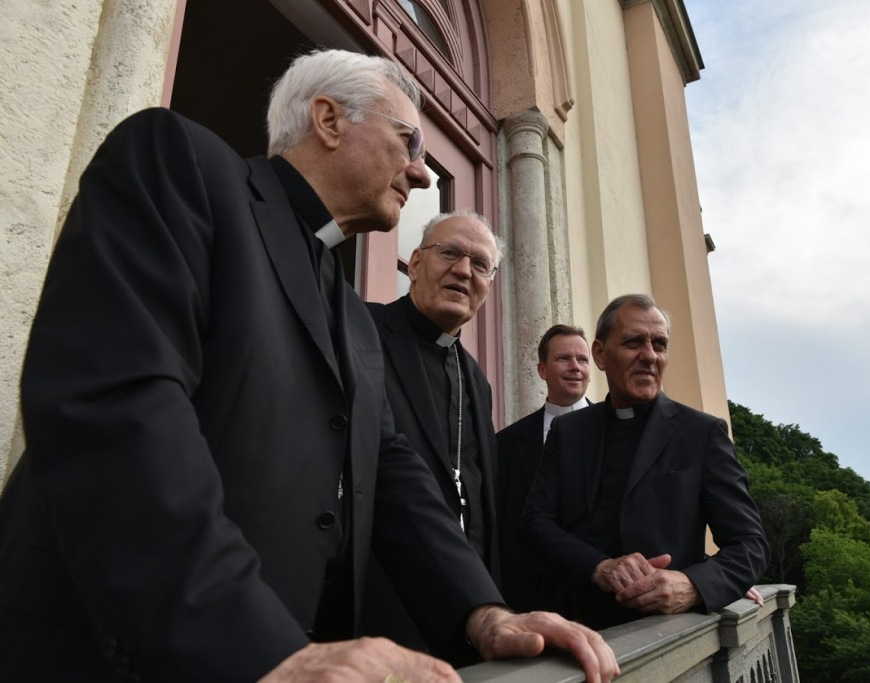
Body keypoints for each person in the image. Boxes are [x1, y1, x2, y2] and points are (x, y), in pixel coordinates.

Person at [0, 49, 618, 683]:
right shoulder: (180, 165)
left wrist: (483, 613)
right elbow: (119, 412)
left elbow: (392, 472)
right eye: (407, 141)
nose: (421, 172)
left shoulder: (350, 312)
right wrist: (257, 646)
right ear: (328, 119)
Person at [521, 294, 769, 630]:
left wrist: (695, 584)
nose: (649, 355)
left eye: (659, 344)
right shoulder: (568, 432)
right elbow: (535, 525)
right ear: (600, 354)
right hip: (579, 631)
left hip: (667, 635)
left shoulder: (702, 433)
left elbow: (750, 546)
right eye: (634, 342)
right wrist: (599, 567)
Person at [360, 209, 502, 657]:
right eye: (450, 253)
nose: (464, 271)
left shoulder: (475, 379)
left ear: (488, 285)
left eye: (480, 264)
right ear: (416, 263)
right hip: (376, 606)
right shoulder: (362, 330)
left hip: (462, 614)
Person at [497, 324, 592, 612]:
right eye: (563, 358)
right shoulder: (506, 443)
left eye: (583, 359)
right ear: (542, 370)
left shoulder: (616, 432)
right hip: (530, 599)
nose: (575, 367)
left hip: (599, 597)